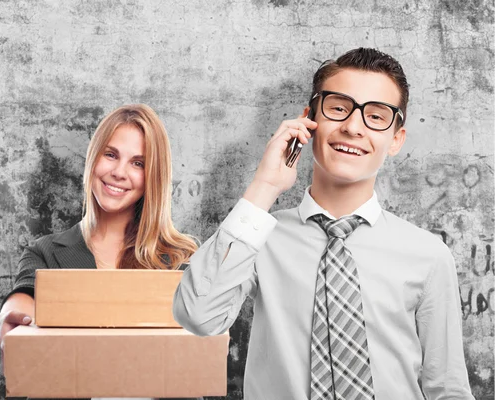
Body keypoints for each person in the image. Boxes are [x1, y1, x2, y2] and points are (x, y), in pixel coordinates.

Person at [173, 48, 475, 399]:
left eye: (376, 116)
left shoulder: (429, 255)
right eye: (338, 108)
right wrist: (264, 187)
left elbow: (448, 388)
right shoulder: (260, 238)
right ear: (308, 120)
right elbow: (198, 315)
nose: (352, 127)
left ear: (395, 139)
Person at [0, 104, 199, 400]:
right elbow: (24, 297)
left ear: (153, 177)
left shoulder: (179, 258)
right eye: (111, 155)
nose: (119, 172)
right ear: (94, 158)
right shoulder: (46, 251)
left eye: (138, 163)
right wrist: (11, 318)